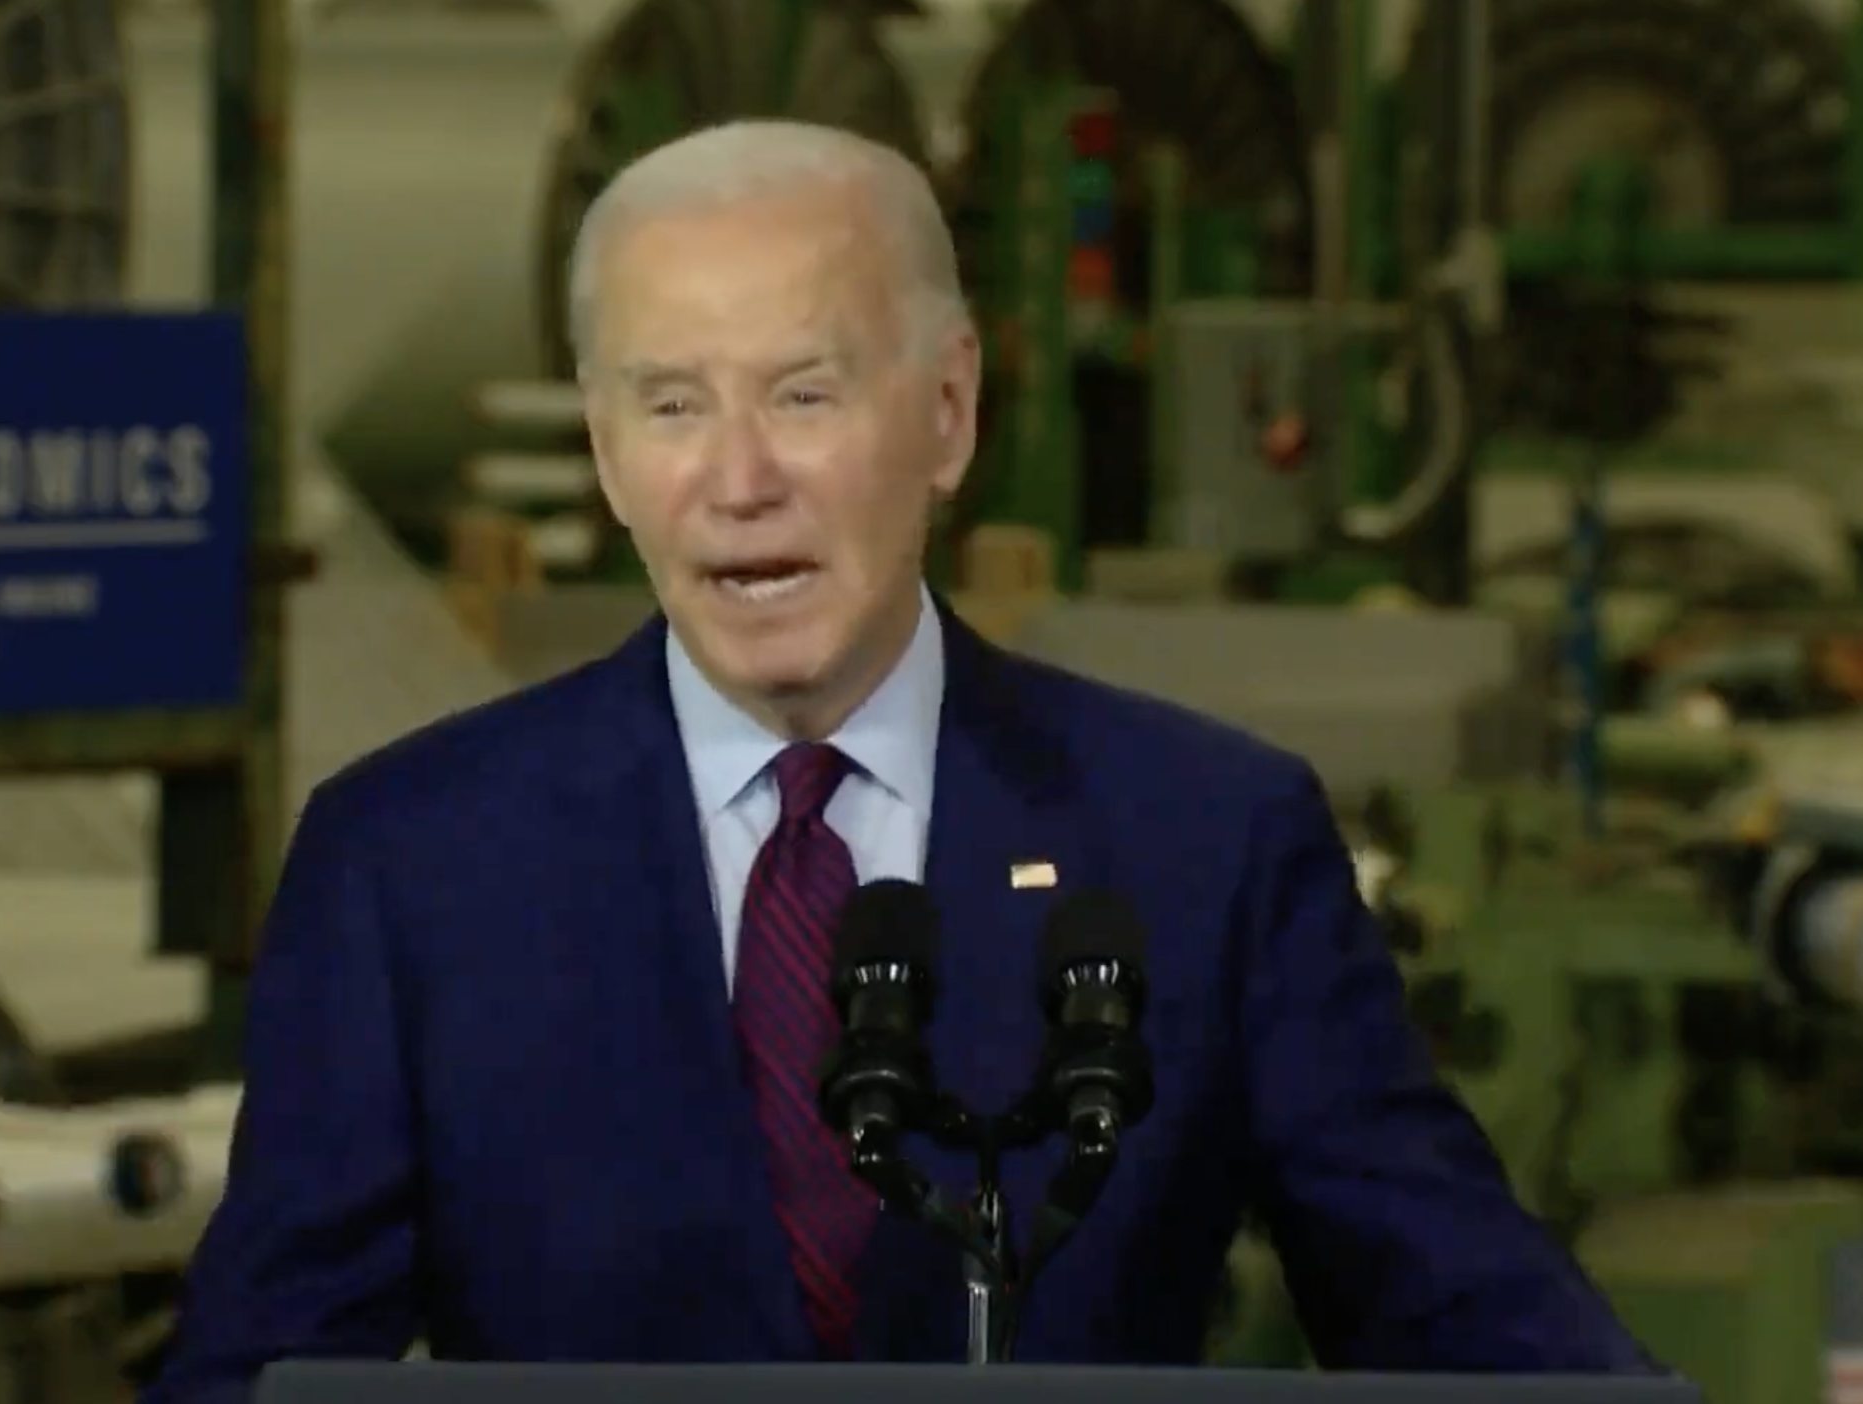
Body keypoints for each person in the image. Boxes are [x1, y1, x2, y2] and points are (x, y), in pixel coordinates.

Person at [143, 119, 1656, 1402]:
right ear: (605, 452)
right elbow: (261, 1372)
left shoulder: (1207, 842)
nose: (738, 480)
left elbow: (1470, 1318)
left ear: (947, 411)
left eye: (804, 394)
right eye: (672, 406)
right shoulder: (410, 867)